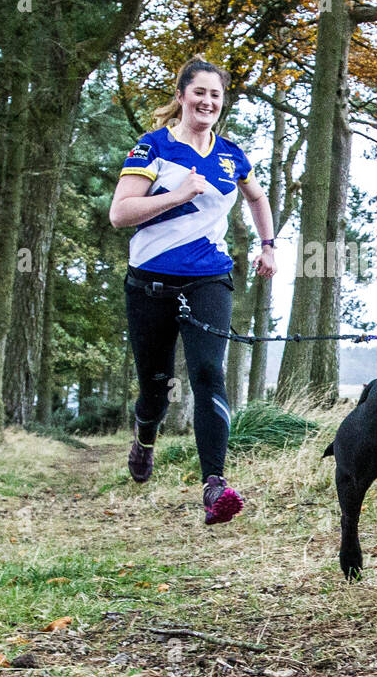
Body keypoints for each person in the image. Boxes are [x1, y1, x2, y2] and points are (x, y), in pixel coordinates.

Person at [109, 57, 277, 524]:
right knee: (156, 387)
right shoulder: (153, 148)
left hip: (209, 277)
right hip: (150, 283)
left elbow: (257, 197)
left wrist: (268, 245)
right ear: (182, 96)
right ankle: (146, 434)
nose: (207, 102)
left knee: (208, 373)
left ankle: (214, 486)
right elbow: (120, 214)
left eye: (215, 95)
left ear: (222, 103)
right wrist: (179, 194)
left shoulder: (230, 154)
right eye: (198, 93)